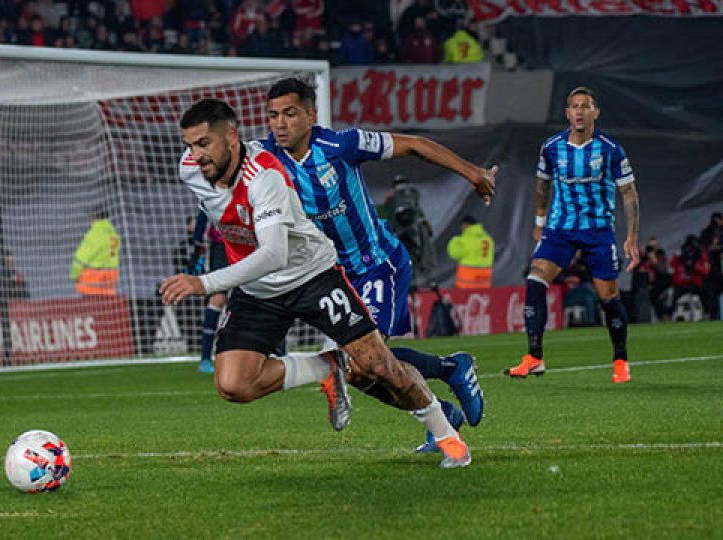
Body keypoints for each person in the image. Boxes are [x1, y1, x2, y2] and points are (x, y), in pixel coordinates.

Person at [161, 98, 471, 468]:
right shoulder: (190, 170)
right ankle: (327, 365)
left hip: (311, 275)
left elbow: (273, 254)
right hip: (259, 289)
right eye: (189, 146)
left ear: (231, 137)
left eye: (203, 144)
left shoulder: (265, 176)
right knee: (233, 385)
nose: (195, 155)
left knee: (378, 366)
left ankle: (447, 436)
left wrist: (204, 283)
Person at [259, 77, 494, 452]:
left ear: (310, 114)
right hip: (330, 277)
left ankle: (449, 379)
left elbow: (415, 145)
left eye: (289, 114)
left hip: (375, 263)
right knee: (357, 372)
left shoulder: (342, 145)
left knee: (365, 360)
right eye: (273, 116)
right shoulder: (263, 157)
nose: (280, 124)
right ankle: (442, 406)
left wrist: (473, 173)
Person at [506, 86, 640, 384]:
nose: (579, 111)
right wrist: (540, 220)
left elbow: (628, 192)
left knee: (609, 297)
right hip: (560, 229)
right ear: (567, 113)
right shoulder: (552, 147)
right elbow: (542, 184)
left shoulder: (610, 149)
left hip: (598, 231)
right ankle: (534, 357)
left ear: (595, 112)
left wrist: (631, 237)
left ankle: (620, 359)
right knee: (535, 280)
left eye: (585, 106)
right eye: (574, 106)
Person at [183, 209, 229, 374]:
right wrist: (197, 244)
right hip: (220, 247)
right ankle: (205, 358)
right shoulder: (211, 191)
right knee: (217, 298)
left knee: (255, 296)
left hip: (245, 245)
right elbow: (204, 209)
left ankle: (278, 353)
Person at [70, 207, 120, 296]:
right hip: (109, 286)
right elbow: (113, 257)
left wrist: (74, 275)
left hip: (91, 286)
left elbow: (80, 259)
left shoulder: (94, 234)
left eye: (90, 216)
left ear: (94, 217)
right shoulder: (114, 235)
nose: (89, 219)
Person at [447, 215, 494, 289]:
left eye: (462, 226)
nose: (461, 229)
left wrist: (454, 240)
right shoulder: (488, 239)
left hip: (467, 282)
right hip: (484, 281)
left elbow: (454, 254)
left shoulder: (465, 240)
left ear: (465, 225)